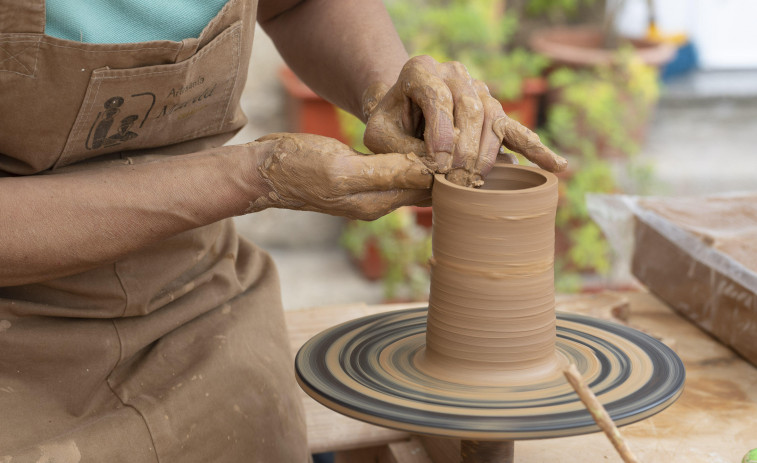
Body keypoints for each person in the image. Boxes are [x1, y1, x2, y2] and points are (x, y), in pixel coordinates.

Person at [0, 0, 565, 461]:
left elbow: (297, 5)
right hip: (17, 345)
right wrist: (251, 177)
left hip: (198, 302)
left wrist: (384, 85)